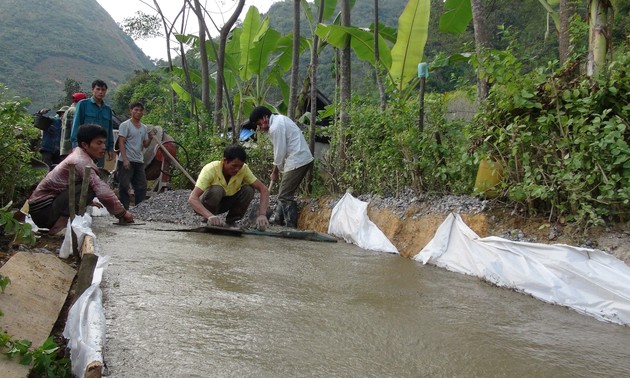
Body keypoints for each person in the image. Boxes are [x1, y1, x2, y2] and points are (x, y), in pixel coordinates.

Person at [28, 124, 134, 234]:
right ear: (85, 144)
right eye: (98, 143)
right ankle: (59, 227)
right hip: (43, 212)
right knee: (92, 186)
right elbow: (103, 191)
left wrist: (87, 200)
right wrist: (123, 213)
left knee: (91, 185)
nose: (103, 147)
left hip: (43, 210)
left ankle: (62, 224)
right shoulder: (80, 160)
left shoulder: (79, 155)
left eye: (103, 142)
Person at [248, 106, 313, 227]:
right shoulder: (280, 119)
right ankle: (278, 219)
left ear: (264, 118)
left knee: (284, 195)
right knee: (283, 192)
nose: (260, 128)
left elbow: (279, 153)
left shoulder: (275, 127)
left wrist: (275, 172)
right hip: (298, 158)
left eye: (259, 124)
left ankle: (291, 226)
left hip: (298, 160)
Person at [188, 144, 270, 230]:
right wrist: (210, 216)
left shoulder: (244, 169)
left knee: (248, 190)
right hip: (206, 204)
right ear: (225, 161)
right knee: (217, 190)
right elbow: (192, 198)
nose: (237, 169)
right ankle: (207, 220)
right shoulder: (210, 169)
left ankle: (232, 222)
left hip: (225, 203)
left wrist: (262, 215)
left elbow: (264, 189)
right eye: (234, 166)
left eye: (240, 166)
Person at [116, 101, 155, 209]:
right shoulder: (125, 125)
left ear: (143, 113)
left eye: (140, 110)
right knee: (124, 186)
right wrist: (125, 159)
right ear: (131, 111)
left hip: (139, 160)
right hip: (126, 160)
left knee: (141, 186)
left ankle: (139, 209)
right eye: (136, 110)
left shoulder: (143, 128)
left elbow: (145, 145)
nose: (138, 112)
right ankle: (124, 210)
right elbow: (121, 142)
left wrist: (151, 138)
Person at [70, 79, 114, 168]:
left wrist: (110, 148)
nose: (100, 92)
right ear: (92, 90)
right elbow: (76, 126)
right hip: (85, 147)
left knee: (98, 173)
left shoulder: (107, 110)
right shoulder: (83, 104)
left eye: (103, 90)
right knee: (82, 173)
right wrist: (75, 147)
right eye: (98, 89)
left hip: (100, 148)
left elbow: (109, 130)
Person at [60, 92, 88, 159]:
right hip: (70, 148)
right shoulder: (74, 111)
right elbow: (76, 129)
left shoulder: (68, 110)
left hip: (65, 147)